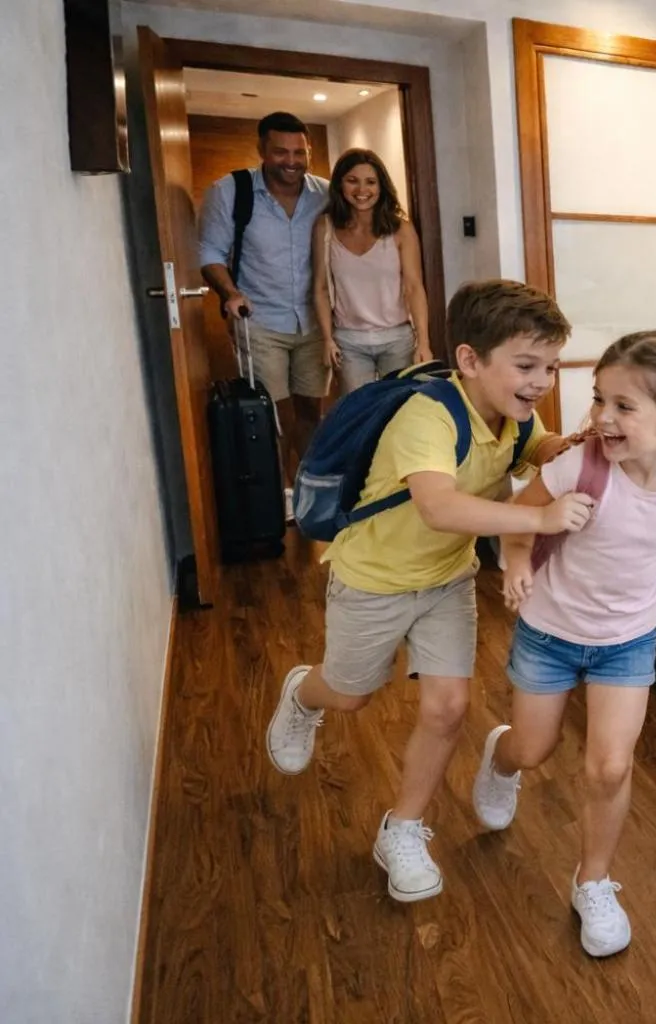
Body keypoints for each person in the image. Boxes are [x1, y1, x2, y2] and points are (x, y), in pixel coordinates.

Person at [263, 280, 594, 903]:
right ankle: (305, 693)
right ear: (471, 361)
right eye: (527, 366)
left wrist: (572, 447)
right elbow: (439, 507)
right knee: (351, 696)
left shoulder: (512, 409)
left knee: (447, 708)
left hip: (447, 581)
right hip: (375, 581)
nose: (542, 380)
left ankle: (404, 828)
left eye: (551, 366)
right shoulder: (429, 415)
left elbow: (534, 449)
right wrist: (540, 520)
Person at [471, 331, 656, 957]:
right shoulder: (579, 464)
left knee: (609, 767)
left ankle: (594, 881)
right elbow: (523, 519)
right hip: (549, 634)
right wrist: (516, 564)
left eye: (624, 407)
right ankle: (502, 758)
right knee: (534, 746)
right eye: (600, 398)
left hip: (626, 645)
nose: (602, 417)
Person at [198, 111, 329, 499]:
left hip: (314, 322)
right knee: (271, 412)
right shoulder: (230, 191)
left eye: (299, 152)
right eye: (280, 152)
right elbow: (209, 251)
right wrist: (230, 293)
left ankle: (306, 486)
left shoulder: (325, 193)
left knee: (310, 409)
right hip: (261, 320)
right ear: (261, 150)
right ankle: (275, 490)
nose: (291, 161)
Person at [313, 148, 431, 394]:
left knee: (397, 408)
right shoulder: (325, 227)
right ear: (340, 185)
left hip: (397, 339)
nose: (361, 190)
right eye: (352, 181)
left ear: (381, 186)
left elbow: (414, 287)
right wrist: (327, 339)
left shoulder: (401, 230)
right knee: (358, 413)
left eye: (370, 182)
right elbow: (321, 287)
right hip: (348, 341)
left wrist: (424, 342)